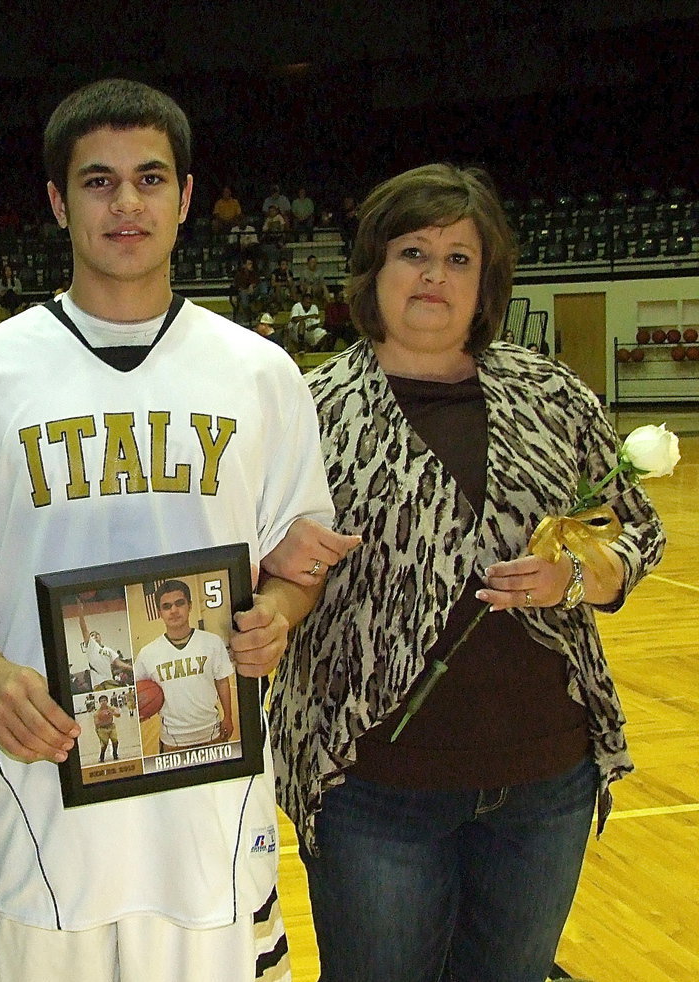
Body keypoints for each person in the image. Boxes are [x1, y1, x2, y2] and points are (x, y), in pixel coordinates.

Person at [0, 78, 338, 982]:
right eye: (97, 181)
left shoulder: (262, 373)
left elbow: (299, 561)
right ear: (58, 202)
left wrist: (280, 614)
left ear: (184, 196)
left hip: (211, 793)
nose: (126, 203)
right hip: (44, 779)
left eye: (149, 178)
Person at [265, 163, 667, 982]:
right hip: (375, 783)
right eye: (413, 251)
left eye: (459, 259)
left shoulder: (550, 393)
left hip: (544, 779)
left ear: (486, 281)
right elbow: (259, 568)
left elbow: (635, 528)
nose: (433, 275)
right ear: (373, 268)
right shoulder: (306, 409)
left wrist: (584, 575)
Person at [134, 580, 234, 751]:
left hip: (212, 733)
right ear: (159, 612)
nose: (173, 610)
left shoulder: (212, 642)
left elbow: (222, 682)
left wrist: (229, 717)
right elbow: (135, 691)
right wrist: (140, 709)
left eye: (179, 603)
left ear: (190, 606)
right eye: (166, 606)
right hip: (173, 740)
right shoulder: (147, 653)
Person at [77, 607, 131, 690]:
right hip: (98, 683)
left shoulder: (108, 650)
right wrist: (80, 613)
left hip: (109, 680)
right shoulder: (91, 645)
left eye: (97, 634)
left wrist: (130, 667)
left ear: (100, 637)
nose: (95, 636)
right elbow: (84, 629)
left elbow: (118, 663)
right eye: (92, 635)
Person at [92, 695, 120, 763]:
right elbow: (97, 723)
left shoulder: (111, 708)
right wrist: (104, 718)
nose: (103, 702)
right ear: (99, 703)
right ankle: (101, 757)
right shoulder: (97, 713)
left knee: (115, 740)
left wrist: (112, 713)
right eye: (101, 701)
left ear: (107, 701)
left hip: (111, 726)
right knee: (104, 744)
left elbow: (118, 714)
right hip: (101, 729)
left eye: (104, 700)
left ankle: (115, 754)